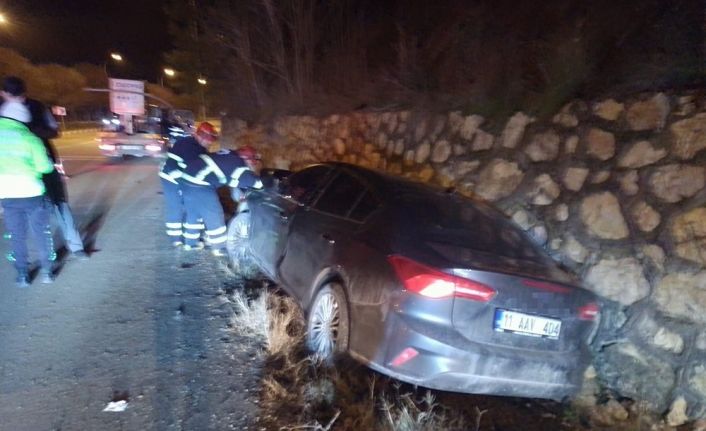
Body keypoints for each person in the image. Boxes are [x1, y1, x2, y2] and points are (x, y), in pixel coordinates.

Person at [1, 76, 89, 260]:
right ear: (4, 94)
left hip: (43, 165)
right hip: (14, 173)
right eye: (14, 95)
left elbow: (54, 130)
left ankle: (75, 246)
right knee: (17, 217)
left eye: (21, 95)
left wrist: (30, 131)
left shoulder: (38, 107)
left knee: (59, 204)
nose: (19, 99)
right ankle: (26, 261)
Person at [0, 99, 55, 286]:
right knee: (40, 232)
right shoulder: (30, 138)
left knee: (17, 235)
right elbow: (45, 167)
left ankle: (23, 275)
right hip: (32, 193)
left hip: (7, 194)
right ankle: (47, 271)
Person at [180, 146, 263, 256]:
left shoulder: (228, 155)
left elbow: (232, 179)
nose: (253, 164)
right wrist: (264, 185)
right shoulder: (238, 164)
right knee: (214, 213)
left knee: (193, 213)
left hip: (185, 180)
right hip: (199, 185)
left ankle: (190, 243)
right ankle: (219, 247)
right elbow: (253, 183)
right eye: (253, 160)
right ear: (247, 159)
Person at [158, 121, 217, 246]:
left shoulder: (198, 147)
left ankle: (188, 236)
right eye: (207, 140)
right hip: (171, 177)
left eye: (210, 141)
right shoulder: (189, 146)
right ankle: (176, 239)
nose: (209, 143)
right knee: (176, 206)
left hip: (181, 175)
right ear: (199, 136)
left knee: (188, 204)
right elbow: (193, 169)